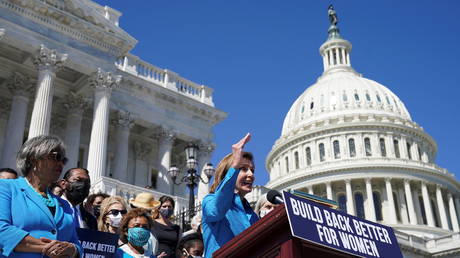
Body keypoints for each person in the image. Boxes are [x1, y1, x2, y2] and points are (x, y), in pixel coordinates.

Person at [0, 135, 82, 257]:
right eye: (55, 157)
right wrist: (52, 248)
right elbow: (2, 230)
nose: (61, 163)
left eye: (63, 160)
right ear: (34, 159)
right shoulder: (6, 187)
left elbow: (76, 243)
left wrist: (73, 249)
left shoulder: (64, 204)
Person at [202, 133, 258, 258]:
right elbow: (216, 210)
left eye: (252, 170)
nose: (251, 174)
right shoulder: (209, 200)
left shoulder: (253, 215)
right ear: (228, 173)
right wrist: (235, 166)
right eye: (243, 169)